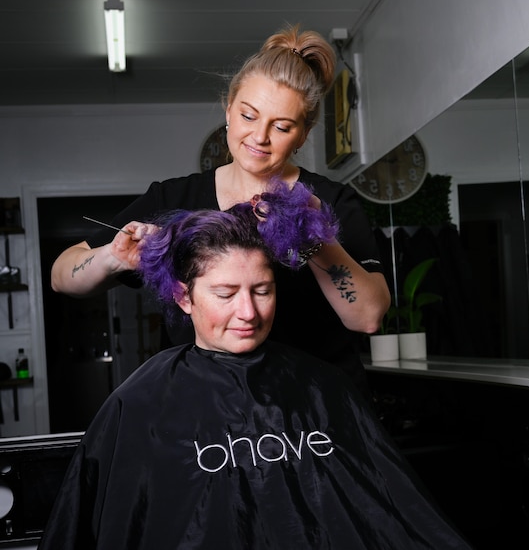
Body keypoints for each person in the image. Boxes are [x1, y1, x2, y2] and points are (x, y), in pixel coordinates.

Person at [38, 187, 471, 549]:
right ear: (184, 297)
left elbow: (393, 517)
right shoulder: (137, 403)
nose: (248, 312)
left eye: (262, 290)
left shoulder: (324, 387)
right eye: (226, 294)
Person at [50, 24, 389, 394]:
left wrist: (315, 237)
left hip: (314, 412)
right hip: (204, 410)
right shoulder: (173, 199)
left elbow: (368, 317)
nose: (259, 137)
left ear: (303, 134)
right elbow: (62, 275)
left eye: (282, 126)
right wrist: (112, 258)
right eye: (248, 116)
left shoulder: (332, 201)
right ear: (228, 109)